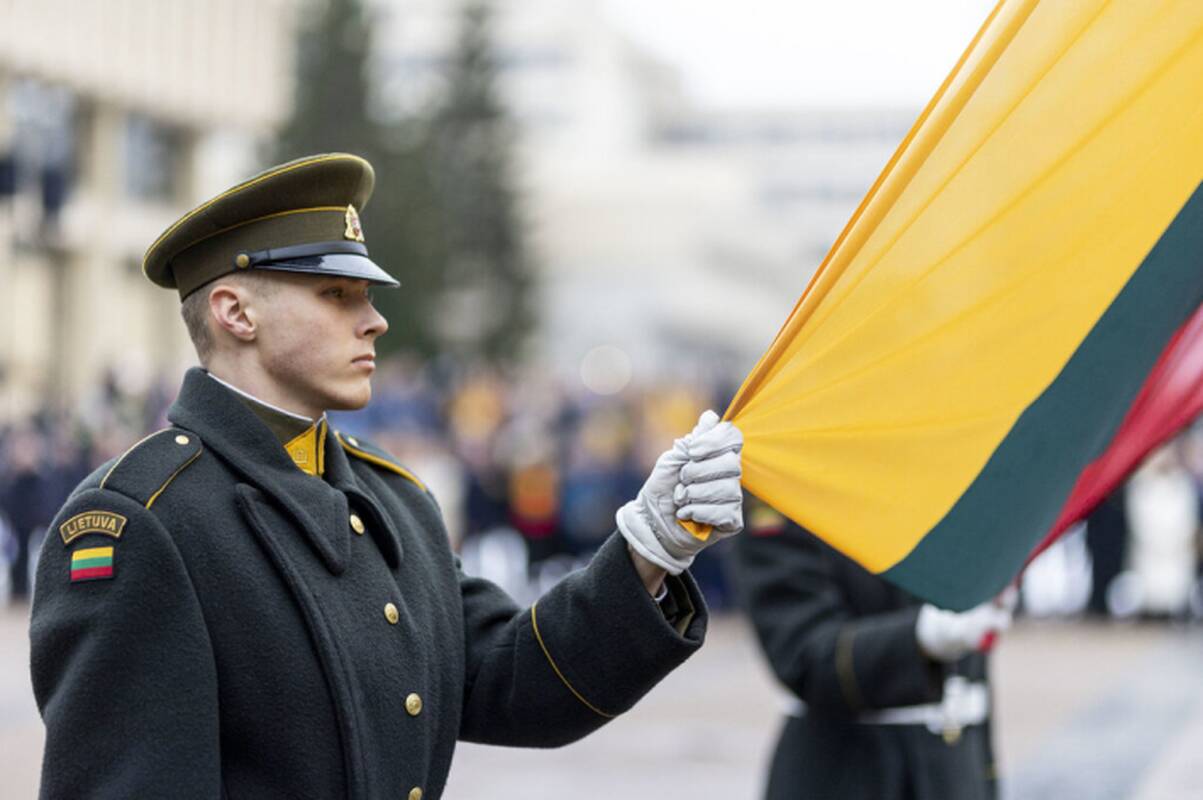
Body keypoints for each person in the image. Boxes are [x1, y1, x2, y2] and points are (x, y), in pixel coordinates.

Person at [29, 153, 745, 799]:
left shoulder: (392, 497)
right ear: (235, 312)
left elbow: (515, 680)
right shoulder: (142, 520)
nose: (374, 321)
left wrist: (650, 549)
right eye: (337, 294)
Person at [733, 494, 1012, 800]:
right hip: (843, 771)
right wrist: (923, 634)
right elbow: (803, 653)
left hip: (953, 769)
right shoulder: (782, 485)